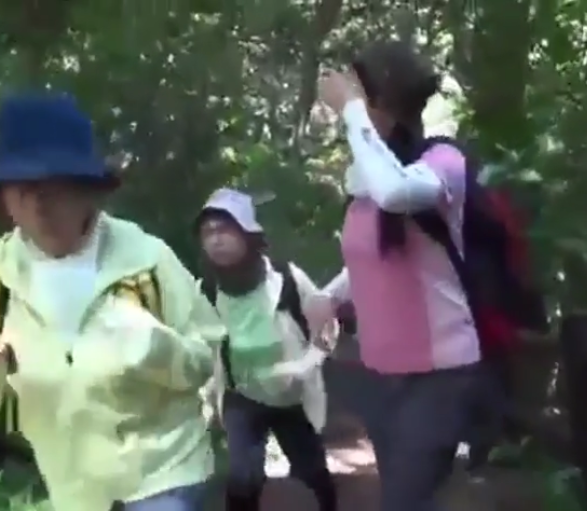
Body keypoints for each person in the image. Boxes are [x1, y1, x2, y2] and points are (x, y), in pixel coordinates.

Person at [0, 93, 225, 511]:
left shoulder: (146, 259)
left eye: (55, 187)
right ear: (5, 196)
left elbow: (206, 359)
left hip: (165, 472)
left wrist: (155, 347)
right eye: (23, 188)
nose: (39, 204)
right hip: (76, 493)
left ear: (88, 190)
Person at [306, 41, 482, 511]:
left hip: (440, 374)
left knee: (405, 500)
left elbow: (396, 194)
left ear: (381, 101)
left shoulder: (441, 162)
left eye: (358, 93)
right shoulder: (368, 173)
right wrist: (328, 297)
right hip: (382, 373)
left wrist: (352, 113)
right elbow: (370, 259)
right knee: (411, 497)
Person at [196, 188, 338, 511]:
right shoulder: (206, 290)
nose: (216, 239)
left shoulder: (287, 278)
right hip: (241, 396)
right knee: (243, 478)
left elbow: (327, 327)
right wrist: (206, 394)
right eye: (207, 232)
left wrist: (306, 365)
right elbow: (200, 345)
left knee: (312, 473)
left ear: (247, 233)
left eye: (224, 229)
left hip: (291, 398)